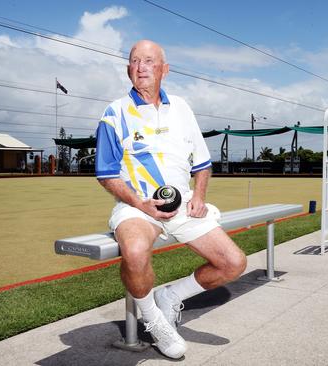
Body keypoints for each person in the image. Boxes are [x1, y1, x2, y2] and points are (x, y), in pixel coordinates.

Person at [95, 39, 247, 359]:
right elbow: (107, 174)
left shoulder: (181, 107)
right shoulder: (115, 112)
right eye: (135, 62)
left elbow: (202, 163)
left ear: (165, 69)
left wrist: (200, 196)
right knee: (135, 252)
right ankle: (155, 321)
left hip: (183, 204)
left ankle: (171, 297)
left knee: (234, 263)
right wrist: (140, 204)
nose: (141, 67)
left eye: (149, 61)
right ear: (128, 70)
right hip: (138, 207)